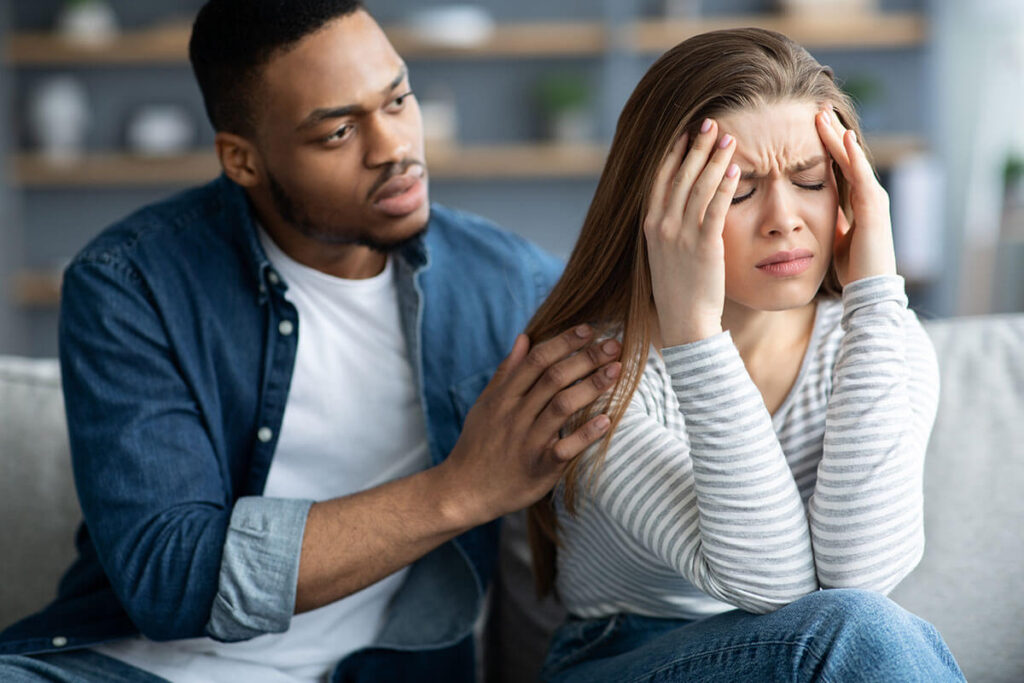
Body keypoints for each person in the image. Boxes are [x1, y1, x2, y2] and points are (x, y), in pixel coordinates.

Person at [0, 1, 623, 681]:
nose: (393, 147)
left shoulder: (511, 285)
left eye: (398, 100)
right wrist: (462, 490)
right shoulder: (130, 285)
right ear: (242, 159)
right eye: (338, 132)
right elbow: (170, 578)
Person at [523, 28, 966, 682]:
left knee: (857, 623)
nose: (784, 218)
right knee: (853, 630)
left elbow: (862, 576)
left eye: (811, 179)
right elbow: (775, 587)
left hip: (815, 652)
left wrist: (875, 297)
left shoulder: (884, 338)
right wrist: (695, 331)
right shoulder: (592, 374)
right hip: (621, 658)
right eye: (739, 190)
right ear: (659, 207)